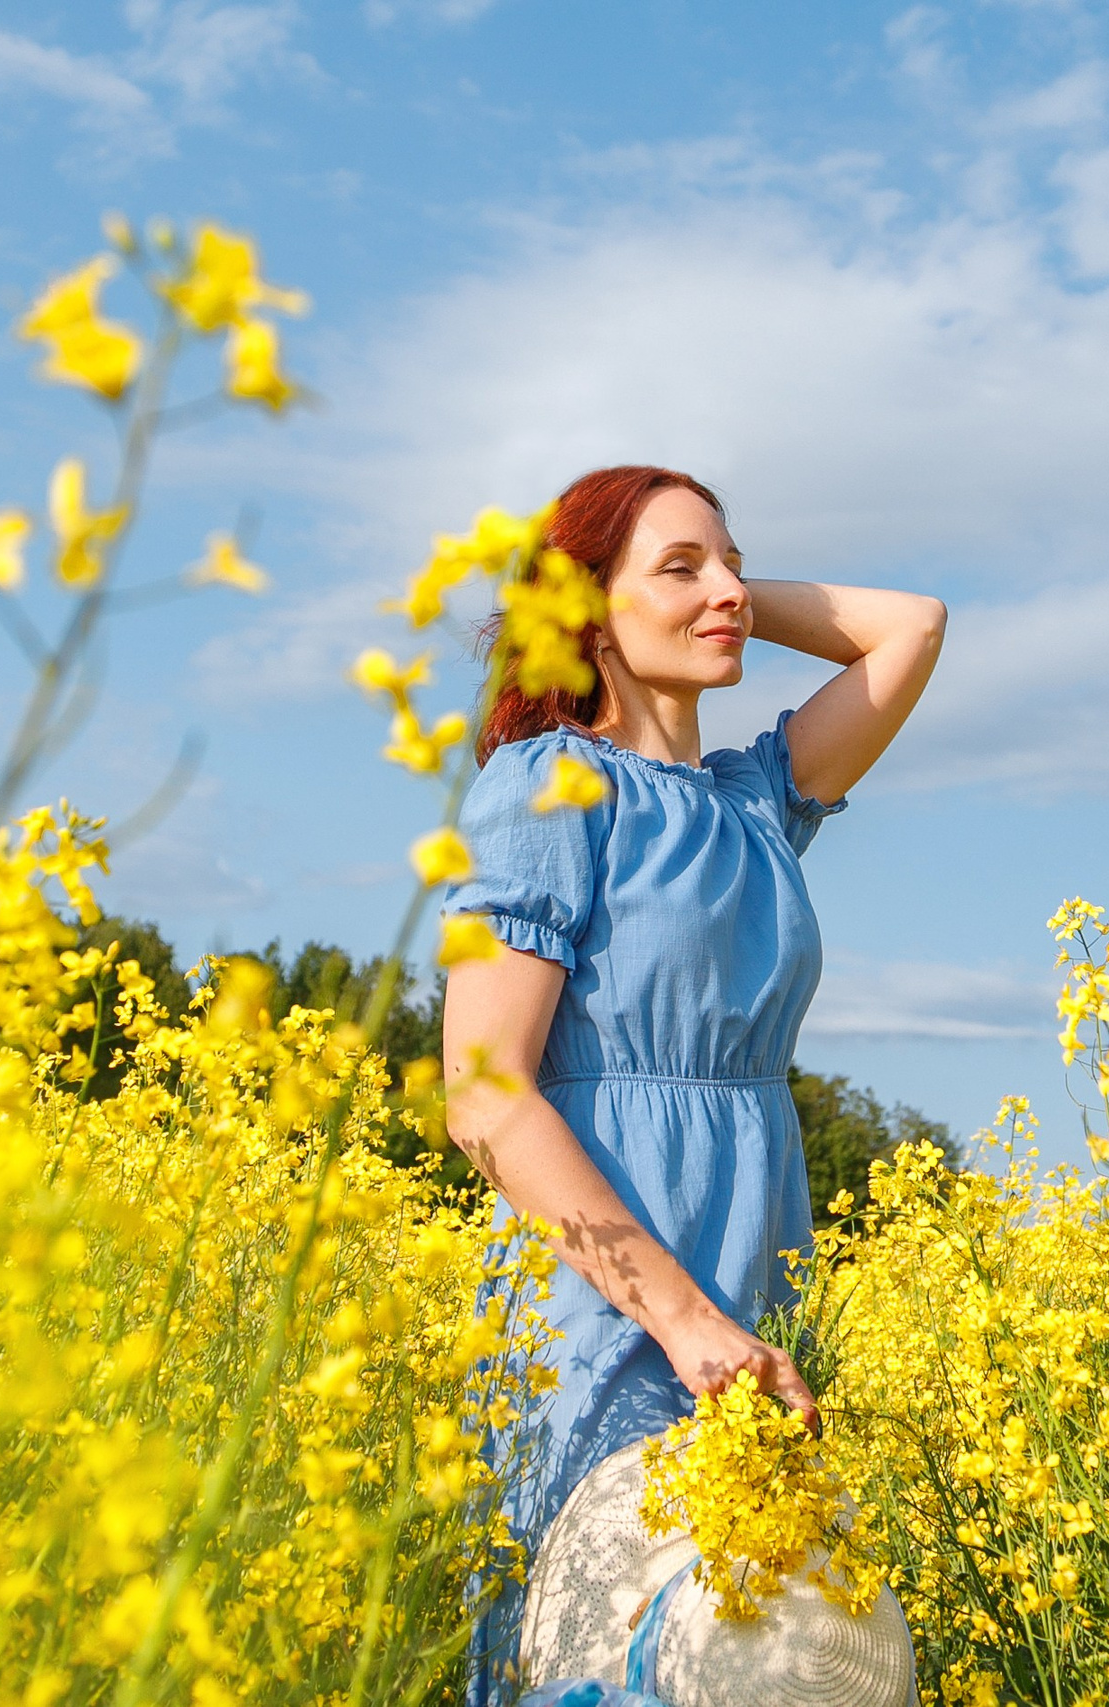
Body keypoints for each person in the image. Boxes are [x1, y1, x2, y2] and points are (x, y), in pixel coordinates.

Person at [438, 466, 945, 1704]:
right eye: (682, 569)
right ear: (584, 612)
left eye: (735, 563)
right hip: (610, 1292)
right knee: (603, 1652)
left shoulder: (755, 802)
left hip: (755, 1263)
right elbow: (481, 1094)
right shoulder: (551, 786)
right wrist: (680, 1321)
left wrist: (702, 595)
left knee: (762, 1663)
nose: (726, 592)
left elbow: (912, 625)